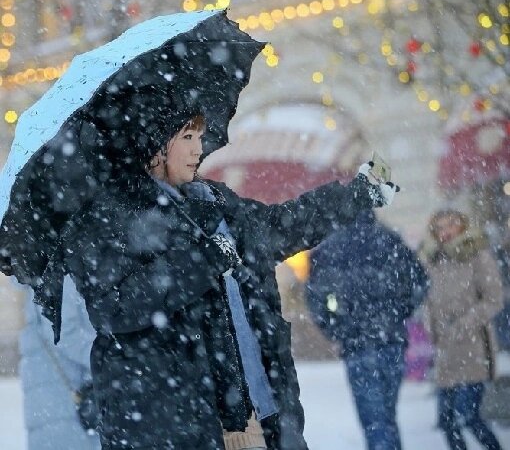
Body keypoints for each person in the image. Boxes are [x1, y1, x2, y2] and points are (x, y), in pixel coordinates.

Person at [59, 90, 397, 449]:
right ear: (156, 144)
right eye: (187, 137)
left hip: (259, 411)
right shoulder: (111, 218)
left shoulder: (213, 201)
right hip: (179, 424)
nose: (198, 149)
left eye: (200, 137)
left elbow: (278, 226)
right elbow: (113, 307)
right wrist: (203, 259)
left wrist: (356, 195)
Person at [305, 209, 429, 450]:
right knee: (387, 417)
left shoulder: (329, 248)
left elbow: (315, 298)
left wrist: (336, 329)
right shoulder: (390, 240)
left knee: (374, 420)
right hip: (391, 339)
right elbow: (419, 282)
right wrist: (399, 313)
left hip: (357, 343)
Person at [421, 209, 504, 450]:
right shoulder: (433, 259)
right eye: (440, 227)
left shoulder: (478, 255)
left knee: (469, 416)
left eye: (451, 224)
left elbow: (494, 299)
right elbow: (428, 299)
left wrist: (463, 324)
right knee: (447, 422)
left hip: (474, 349)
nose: (446, 231)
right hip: (446, 353)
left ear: (463, 226)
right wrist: (431, 327)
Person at [19, 276, 101, 450]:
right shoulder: (59, 271)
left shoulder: (39, 273)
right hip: (65, 399)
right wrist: (104, 354)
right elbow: (64, 333)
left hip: (52, 395)